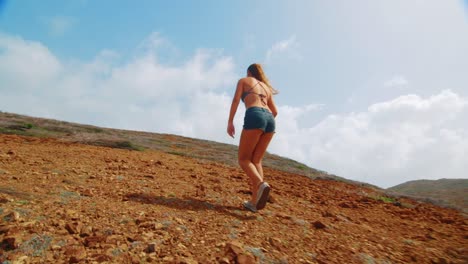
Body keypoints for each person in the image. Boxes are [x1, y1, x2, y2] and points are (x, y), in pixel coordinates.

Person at [227, 63, 278, 212]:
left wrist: (230, 121)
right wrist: (264, 121)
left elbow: (236, 100)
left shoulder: (244, 81)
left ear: (249, 72)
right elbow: (275, 111)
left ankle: (261, 184)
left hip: (255, 114)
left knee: (243, 159)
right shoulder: (266, 88)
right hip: (270, 120)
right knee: (256, 160)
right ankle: (255, 202)